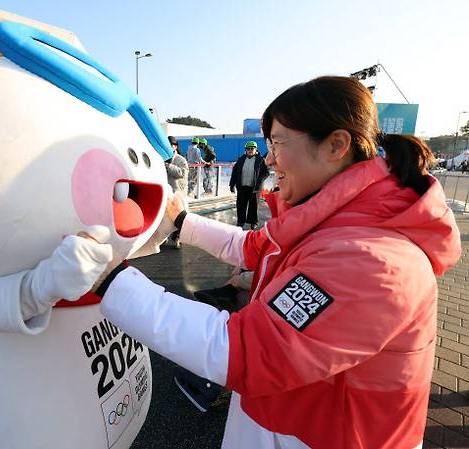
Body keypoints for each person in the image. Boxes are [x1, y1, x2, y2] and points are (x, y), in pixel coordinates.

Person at [86, 76, 461, 448]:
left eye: (278, 143)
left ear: (336, 145)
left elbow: (247, 350)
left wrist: (112, 280)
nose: (268, 158)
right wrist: (182, 222)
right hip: (290, 416)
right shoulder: (337, 220)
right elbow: (255, 248)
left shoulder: (373, 259)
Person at [229, 141, 269, 230]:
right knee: (240, 205)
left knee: (253, 206)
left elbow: (266, 173)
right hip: (242, 186)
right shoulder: (241, 159)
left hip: (254, 188)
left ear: (256, 149)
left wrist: (259, 182)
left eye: (252, 149)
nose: (250, 150)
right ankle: (241, 221)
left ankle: (253, 222)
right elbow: (235, 172)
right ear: (246, 150)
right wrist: (232, 184)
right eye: (248, 149)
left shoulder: (260, 160)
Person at [165, 135, 188, 248]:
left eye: (170, 145)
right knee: (165, 217)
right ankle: (164, 237)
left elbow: (182, 173)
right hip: (164, 192)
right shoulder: (161, 157)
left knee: (179, 217)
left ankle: (177, 238)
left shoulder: (180, 159)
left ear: (175, 147)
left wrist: (169, 167)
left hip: (177, 192)